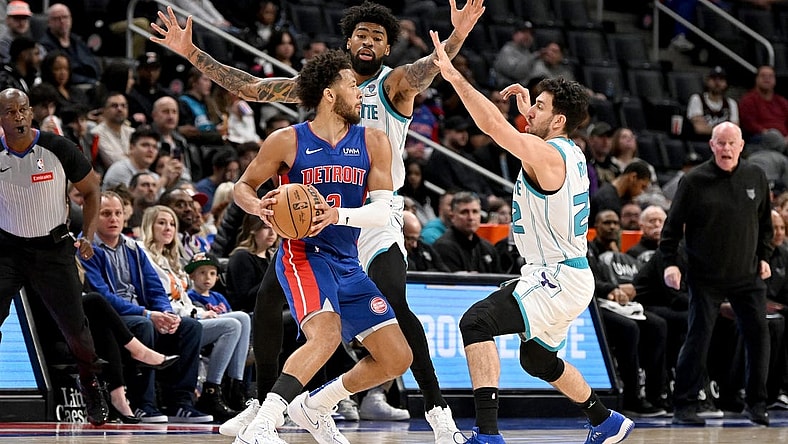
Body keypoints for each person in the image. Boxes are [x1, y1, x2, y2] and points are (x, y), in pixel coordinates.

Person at [151, 1, 486, 441]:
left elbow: (432, 67)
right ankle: (265, 406)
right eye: (361, 34)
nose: (368, 41)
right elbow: (252, 87)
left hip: (373, 216)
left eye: (378, 37)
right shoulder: (324, 86)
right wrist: (191, 51)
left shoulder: (394, 85)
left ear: (387, 47)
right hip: (312, 218)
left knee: (395, 308)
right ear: (348, 42)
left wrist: (458, 34)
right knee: (269, 300)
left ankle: (438, 413)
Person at [430, 31, 634, 443]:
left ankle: (487, 435)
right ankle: (606, 420)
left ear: (558, 120)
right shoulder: (571, 151)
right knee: (537, 358)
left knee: (476, 322)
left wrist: (453, 77)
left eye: (539, 107)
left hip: (555, 275)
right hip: (569, 274)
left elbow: (491, 126)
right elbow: (530, 139)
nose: (530, 111)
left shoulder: (546, 154)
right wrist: (533, 116)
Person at [231, 49, 412, 444]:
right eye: (352, 85)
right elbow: (241, 187)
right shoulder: (286, 140)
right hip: (303, 255)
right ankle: (263, 425)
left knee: (398, 358)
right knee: (325, 336)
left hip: (347, 259)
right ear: (329, 95)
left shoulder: (374, 140)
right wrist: (259, 205)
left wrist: (336, 215)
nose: (361, 92)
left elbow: (383, 212)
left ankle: (315, 405)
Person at [0, 87, 109, 426]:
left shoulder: (59, 148)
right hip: (7, 250)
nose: (17, 117)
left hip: (53, 249)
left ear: (30, 112)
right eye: (9, 111)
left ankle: (91, 382)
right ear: (0, 118)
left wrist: (88, 237)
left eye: (22, 110)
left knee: (76, 331)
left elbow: (91, 192)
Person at [659, 121, 773, 426]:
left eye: (731, 143)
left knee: (759, 336)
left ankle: (756, 403)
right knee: (698, 338)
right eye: (720, 143)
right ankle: (683, 404)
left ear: (741, 146)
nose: (726, 149)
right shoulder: (694, 181)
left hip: (747, 275)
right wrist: (670, 262)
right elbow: (671, 229)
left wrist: (764, 257)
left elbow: (766, 226)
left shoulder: (756, 176)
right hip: (705, 276)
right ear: (711, 146)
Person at [81, 192, 212, 423]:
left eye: (118, 213)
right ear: (93, 216)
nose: (114, 219)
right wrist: (148, 314)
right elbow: (101, 296)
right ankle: (144, 404)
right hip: (112, 319)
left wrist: (167, 314)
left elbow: (155, 289)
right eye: (106, 213)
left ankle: (181, 404)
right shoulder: (87, 247)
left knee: (190, 326)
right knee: (144, 325)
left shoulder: (133, 248)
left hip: (144, 314)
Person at [433, 191, 501, 273]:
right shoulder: (443, 247)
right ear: (452, 216)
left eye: (475, 212)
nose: (471, 217)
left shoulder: (488, 248)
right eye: (464, 212)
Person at [38, 3, 102, 85]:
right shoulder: (45, 45)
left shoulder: (78, 41)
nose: (62, 21)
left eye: (65, 17)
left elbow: (93, 63)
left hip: (93, 83)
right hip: (72, 87)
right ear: (49, 22)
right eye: (57, 18)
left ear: (71, 19)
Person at [739, 65, 788, 152]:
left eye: (770, 76)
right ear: (756, 79)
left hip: (784, 138)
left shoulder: (782, 101)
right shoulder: (748, 100)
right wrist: (766, 132)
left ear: (775, 80)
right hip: (759, 138)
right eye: (763, 76)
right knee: (773, 135)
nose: (767, 79)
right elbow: (749, 124)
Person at [686, 66, 739, 138]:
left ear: (726, 83)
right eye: (714, 79)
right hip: (702, 141)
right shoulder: (697, 99)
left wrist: (709, 128)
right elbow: (699, 129)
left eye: (721, 79)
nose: (717, 83)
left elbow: (734, 131)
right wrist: (724, 131)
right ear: (707, 81)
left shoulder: (731, 103)